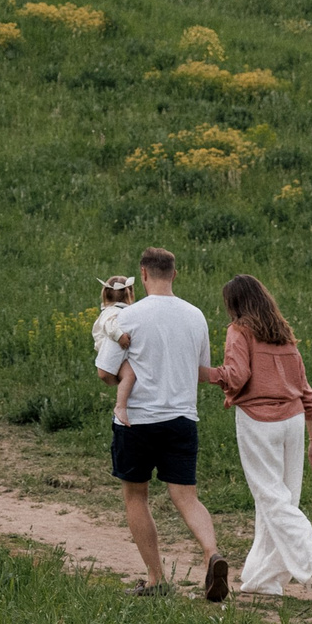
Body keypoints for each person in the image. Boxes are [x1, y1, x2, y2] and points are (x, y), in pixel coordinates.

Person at [96, 247, 228, 600]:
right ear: (175, 273)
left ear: (143, 274)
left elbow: (105, 372)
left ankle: (156, 578)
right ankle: (211, 552)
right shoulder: (195, 316)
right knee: (186, 497)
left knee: (136, 496)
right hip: (182, 418)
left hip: (136, 421)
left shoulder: (128, 316)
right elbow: (201, 372)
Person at [215, 274, 312, 600]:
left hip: (258, 421)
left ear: (235, 305)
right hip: (294, 422)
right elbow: (308, 393)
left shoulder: (239, 331)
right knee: (282, 502)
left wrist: (205, 373)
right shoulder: (285, 338)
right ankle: (260, 580)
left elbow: (236, 377)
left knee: (271, 499)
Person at [92, 275, 140, 426]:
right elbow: (109, 325)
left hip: (107, 352)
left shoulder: (109, 310)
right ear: (129, 293)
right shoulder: (115, 312)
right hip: (109, 352)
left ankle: (122, 402)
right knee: (130, 374)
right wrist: (120, 337)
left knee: (128, 375)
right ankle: (121, 406)